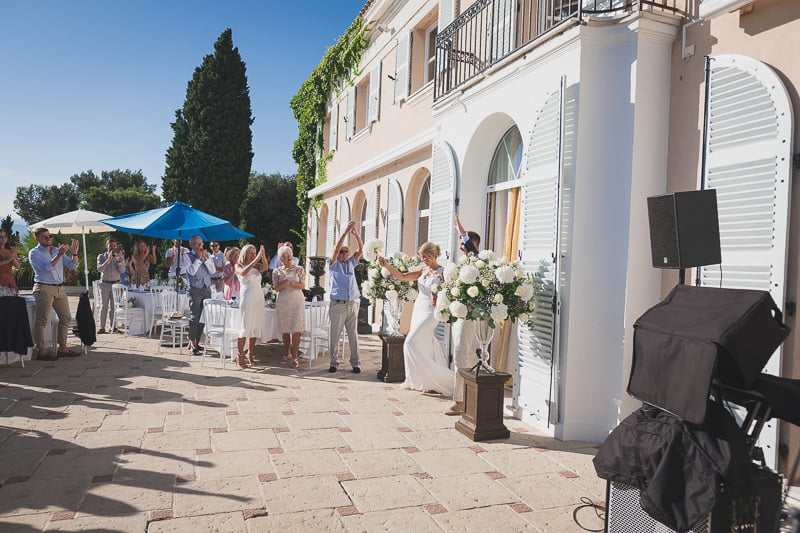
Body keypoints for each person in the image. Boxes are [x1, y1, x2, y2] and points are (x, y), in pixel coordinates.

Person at [378, 241, 454, 396]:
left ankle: (446, 379)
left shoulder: (443, 272)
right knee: (423, 345)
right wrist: (386, 266)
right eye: (421, 257)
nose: (423, 260)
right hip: (419, 308)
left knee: (410, 342)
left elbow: (450, 293)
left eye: (426, 257)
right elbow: (402, 276)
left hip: (431, 311)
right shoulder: (422, 271)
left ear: (434, 255)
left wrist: (439, 297)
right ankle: (426, 382)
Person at [447, 213, 482, 415]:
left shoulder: (476, 261)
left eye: (464, 244)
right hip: (458, 314)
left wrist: (462, 230)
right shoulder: (463, 264)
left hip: (468, 315)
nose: (461, 247)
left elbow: (469, 248)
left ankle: (459, 401)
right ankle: (471, 398)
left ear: (473, 245)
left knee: (461, 355)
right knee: (466, 356)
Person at [29, 228, 81, 361]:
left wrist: (74, 254)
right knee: (42, 320)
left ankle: (62, 348)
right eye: (44, 237)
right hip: (44, 287)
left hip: (59, 288)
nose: (48, 238)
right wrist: (59, 255)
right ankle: (42, 351)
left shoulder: (57, 250)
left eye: (49, 236)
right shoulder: (34, 253)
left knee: (66, 317)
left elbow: (73, 266)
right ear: (37, 239)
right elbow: (47, 267)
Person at [327, 220, 363, 374]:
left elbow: (361, 249)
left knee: (353, 336)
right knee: (334, 336)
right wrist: (345, 232)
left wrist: (356, 236)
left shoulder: (351, 263)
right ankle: (333, 363)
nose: (344, 254)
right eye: (342, 252)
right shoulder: (333, 264)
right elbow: (335, 249)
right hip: (338, 305)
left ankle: (355, 363)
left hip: (352, 304)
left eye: (346, 251)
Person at [272, 244, 306, 368]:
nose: (289, 257)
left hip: (297, 301)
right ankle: (287, 353)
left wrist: (290, 283)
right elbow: (276, 288)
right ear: (281, 259)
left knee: (296, 329)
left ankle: (295, 356)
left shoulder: (299, 269)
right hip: (283, 301)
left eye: (290, 254)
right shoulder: (277, 271)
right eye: (285, 255)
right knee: (285, 329)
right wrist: (284, 282)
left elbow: (302, 286)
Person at [182, 235, 216, 355]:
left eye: (201, 243)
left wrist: (205, 259)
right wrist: (197, 258)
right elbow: (191, 271)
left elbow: (212, 271)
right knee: (195, 316)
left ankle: (197, 340)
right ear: (191, 245)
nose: (200, 246)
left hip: (206, 288)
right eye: (197, 244)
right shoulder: (187, 256)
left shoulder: (208, 256)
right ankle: (192, 343)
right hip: (195, 289)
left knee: (203, 317)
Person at [235, 244, 268, 368]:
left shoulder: (257, 266)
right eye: (252, 253)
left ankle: (250, 353)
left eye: (255, 253)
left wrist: (263, 256)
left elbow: (265, 267)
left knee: (255, 326)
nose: (254, 256)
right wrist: (255, 260)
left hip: (258, 296)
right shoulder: (239, 265)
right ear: (246, 254)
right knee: (245, 326)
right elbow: (243, 273)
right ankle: (240, 354)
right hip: (247, 296)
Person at [96, 239, 126, 334]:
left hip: (116, 284)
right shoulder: (101, 256)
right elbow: (100, 269)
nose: (112, 247)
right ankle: (102, 327)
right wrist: (108, 260)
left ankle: (113, 327)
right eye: (111, 245)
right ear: (107, 246)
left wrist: (119, 262)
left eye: (114, 245)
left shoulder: (120, 257)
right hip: (105, 284)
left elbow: (122, 271)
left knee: (114, 307)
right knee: (104, 306)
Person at [0, 230, 20, 295]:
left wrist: (13, 259)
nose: (4, 238)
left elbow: (18, 266)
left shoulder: (12, 250)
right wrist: (8, 260)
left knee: (11, 303)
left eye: (5, 236)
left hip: (9, 281)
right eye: (1, 236)